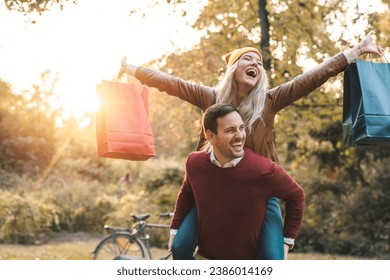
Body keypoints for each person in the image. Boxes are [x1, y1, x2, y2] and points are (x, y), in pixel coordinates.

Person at [118, 31, 384, 259]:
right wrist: (132, 69)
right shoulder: (210, 98)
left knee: (270, 258)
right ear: (234, 67)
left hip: (259, 190)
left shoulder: (269, 101)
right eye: (248, 59)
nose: (255, 63)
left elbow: (313, 77)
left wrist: (356, 51)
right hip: (216, 186)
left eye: (259, 61)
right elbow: (171, 83)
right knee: (180, 246)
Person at [169, 103, 305, 259]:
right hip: (211, 248)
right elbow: (187, 192)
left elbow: (296, 195)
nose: (240, 135)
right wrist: (174, 229)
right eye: (230, 130)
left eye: (241, 128)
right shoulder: (195, 162)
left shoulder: (262, 169)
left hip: (252, 248)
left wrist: (286, 241)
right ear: (210, 136)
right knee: (179, 247)